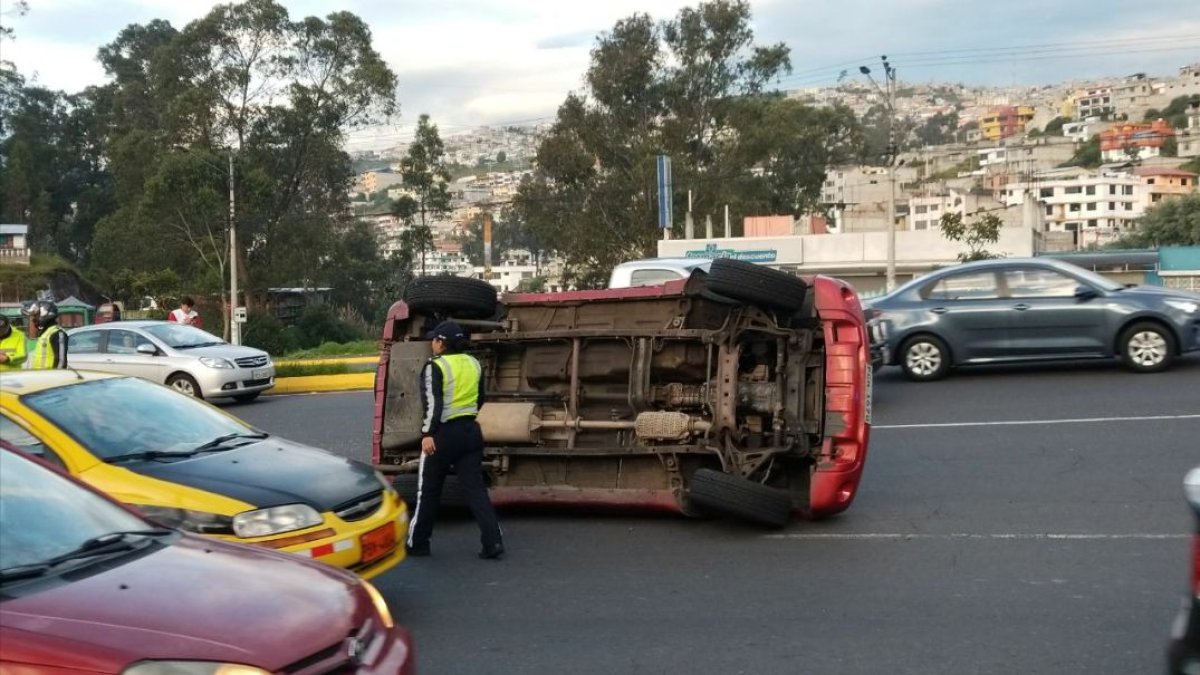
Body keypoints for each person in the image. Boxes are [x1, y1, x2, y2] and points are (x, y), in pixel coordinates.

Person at [405, 320, 504, 560]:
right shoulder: (474, 363)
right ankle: (493, 542)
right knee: (476, 491)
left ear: (442, 343)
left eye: (435, 339)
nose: (432, 343)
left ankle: (418, 543)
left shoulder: (435, 366)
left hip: (442, 435)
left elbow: (433, 403)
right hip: (470, 432)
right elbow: (480, 399)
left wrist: (427, 433)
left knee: (428, 491)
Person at [24, 301, 68, 370]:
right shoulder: (45, 333)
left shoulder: (57, 333)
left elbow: (61, 362)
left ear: (45, 314)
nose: (33, 319)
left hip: (50, 378)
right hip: (40, 377)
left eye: (36, 315)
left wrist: (55, 378)